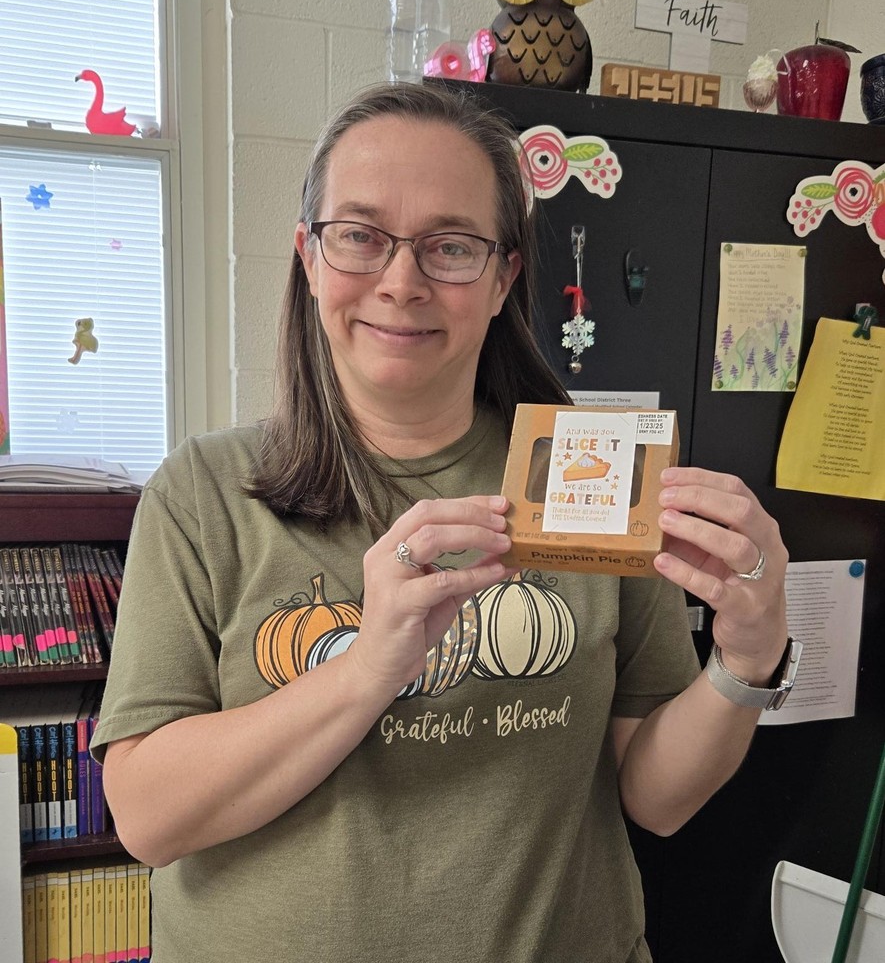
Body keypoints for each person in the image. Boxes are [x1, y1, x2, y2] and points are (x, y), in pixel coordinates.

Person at [91, 82, 790, 963]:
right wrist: (366, 670)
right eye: (360, 236)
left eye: (450, 247)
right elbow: (148, 819)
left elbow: (654, 795)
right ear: (309, 259)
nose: (400, 281)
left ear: (502, 278)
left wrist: (748, 657)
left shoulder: (589, 477)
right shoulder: (205, 493)